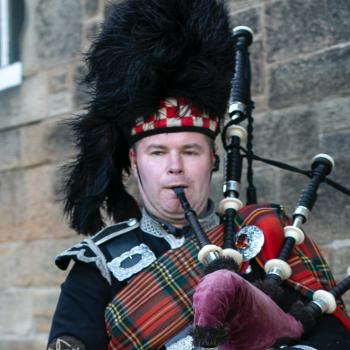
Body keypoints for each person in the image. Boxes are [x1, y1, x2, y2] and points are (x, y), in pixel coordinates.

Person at [47, 0, 350, 349]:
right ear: (133, 161)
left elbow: (335, 337)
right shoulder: (98, 265)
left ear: (213, 159)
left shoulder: (270, 236)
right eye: (157, 152)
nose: (175, 166)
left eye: (190, 151)